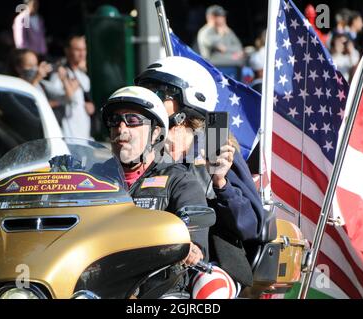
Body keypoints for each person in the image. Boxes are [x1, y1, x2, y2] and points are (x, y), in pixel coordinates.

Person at [136, 56, 266, 294]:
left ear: (189, 98)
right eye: (145, 91)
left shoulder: (216, 142)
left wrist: (221, 182)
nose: (147, 100)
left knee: (210, 288)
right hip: (150, 256)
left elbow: (251, 226)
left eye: (158, 93)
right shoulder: (143, 145)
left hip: (206, 263)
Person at [101, 86, 213, 298]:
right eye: (114, 120)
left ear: (155, 132)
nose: (121, 127)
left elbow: (196, 243)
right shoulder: (94, 179)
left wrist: (189, 247)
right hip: (99, 287)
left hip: (157, 291)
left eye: (132, 120)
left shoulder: (178, 180)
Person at [48, 35, 95, 139]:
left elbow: (83, 101)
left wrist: (89, 106)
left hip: (84, 134)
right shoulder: (58, 75)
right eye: (77, 49)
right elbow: (51, 103)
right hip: (66, 134)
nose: (82, 53)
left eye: (84, 49)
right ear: (67, 51)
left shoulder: (84, 77)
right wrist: (69, 93)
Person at [197, 5, 244, 79]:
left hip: (231, 66)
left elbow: (239, 47)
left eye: (223, 15)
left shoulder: (227, 30)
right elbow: (221, 48)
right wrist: (233, 55)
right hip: (214, 69)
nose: (223, 18)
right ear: (211, 17)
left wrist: (234, 53)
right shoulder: (205, 31)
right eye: (219, 16)